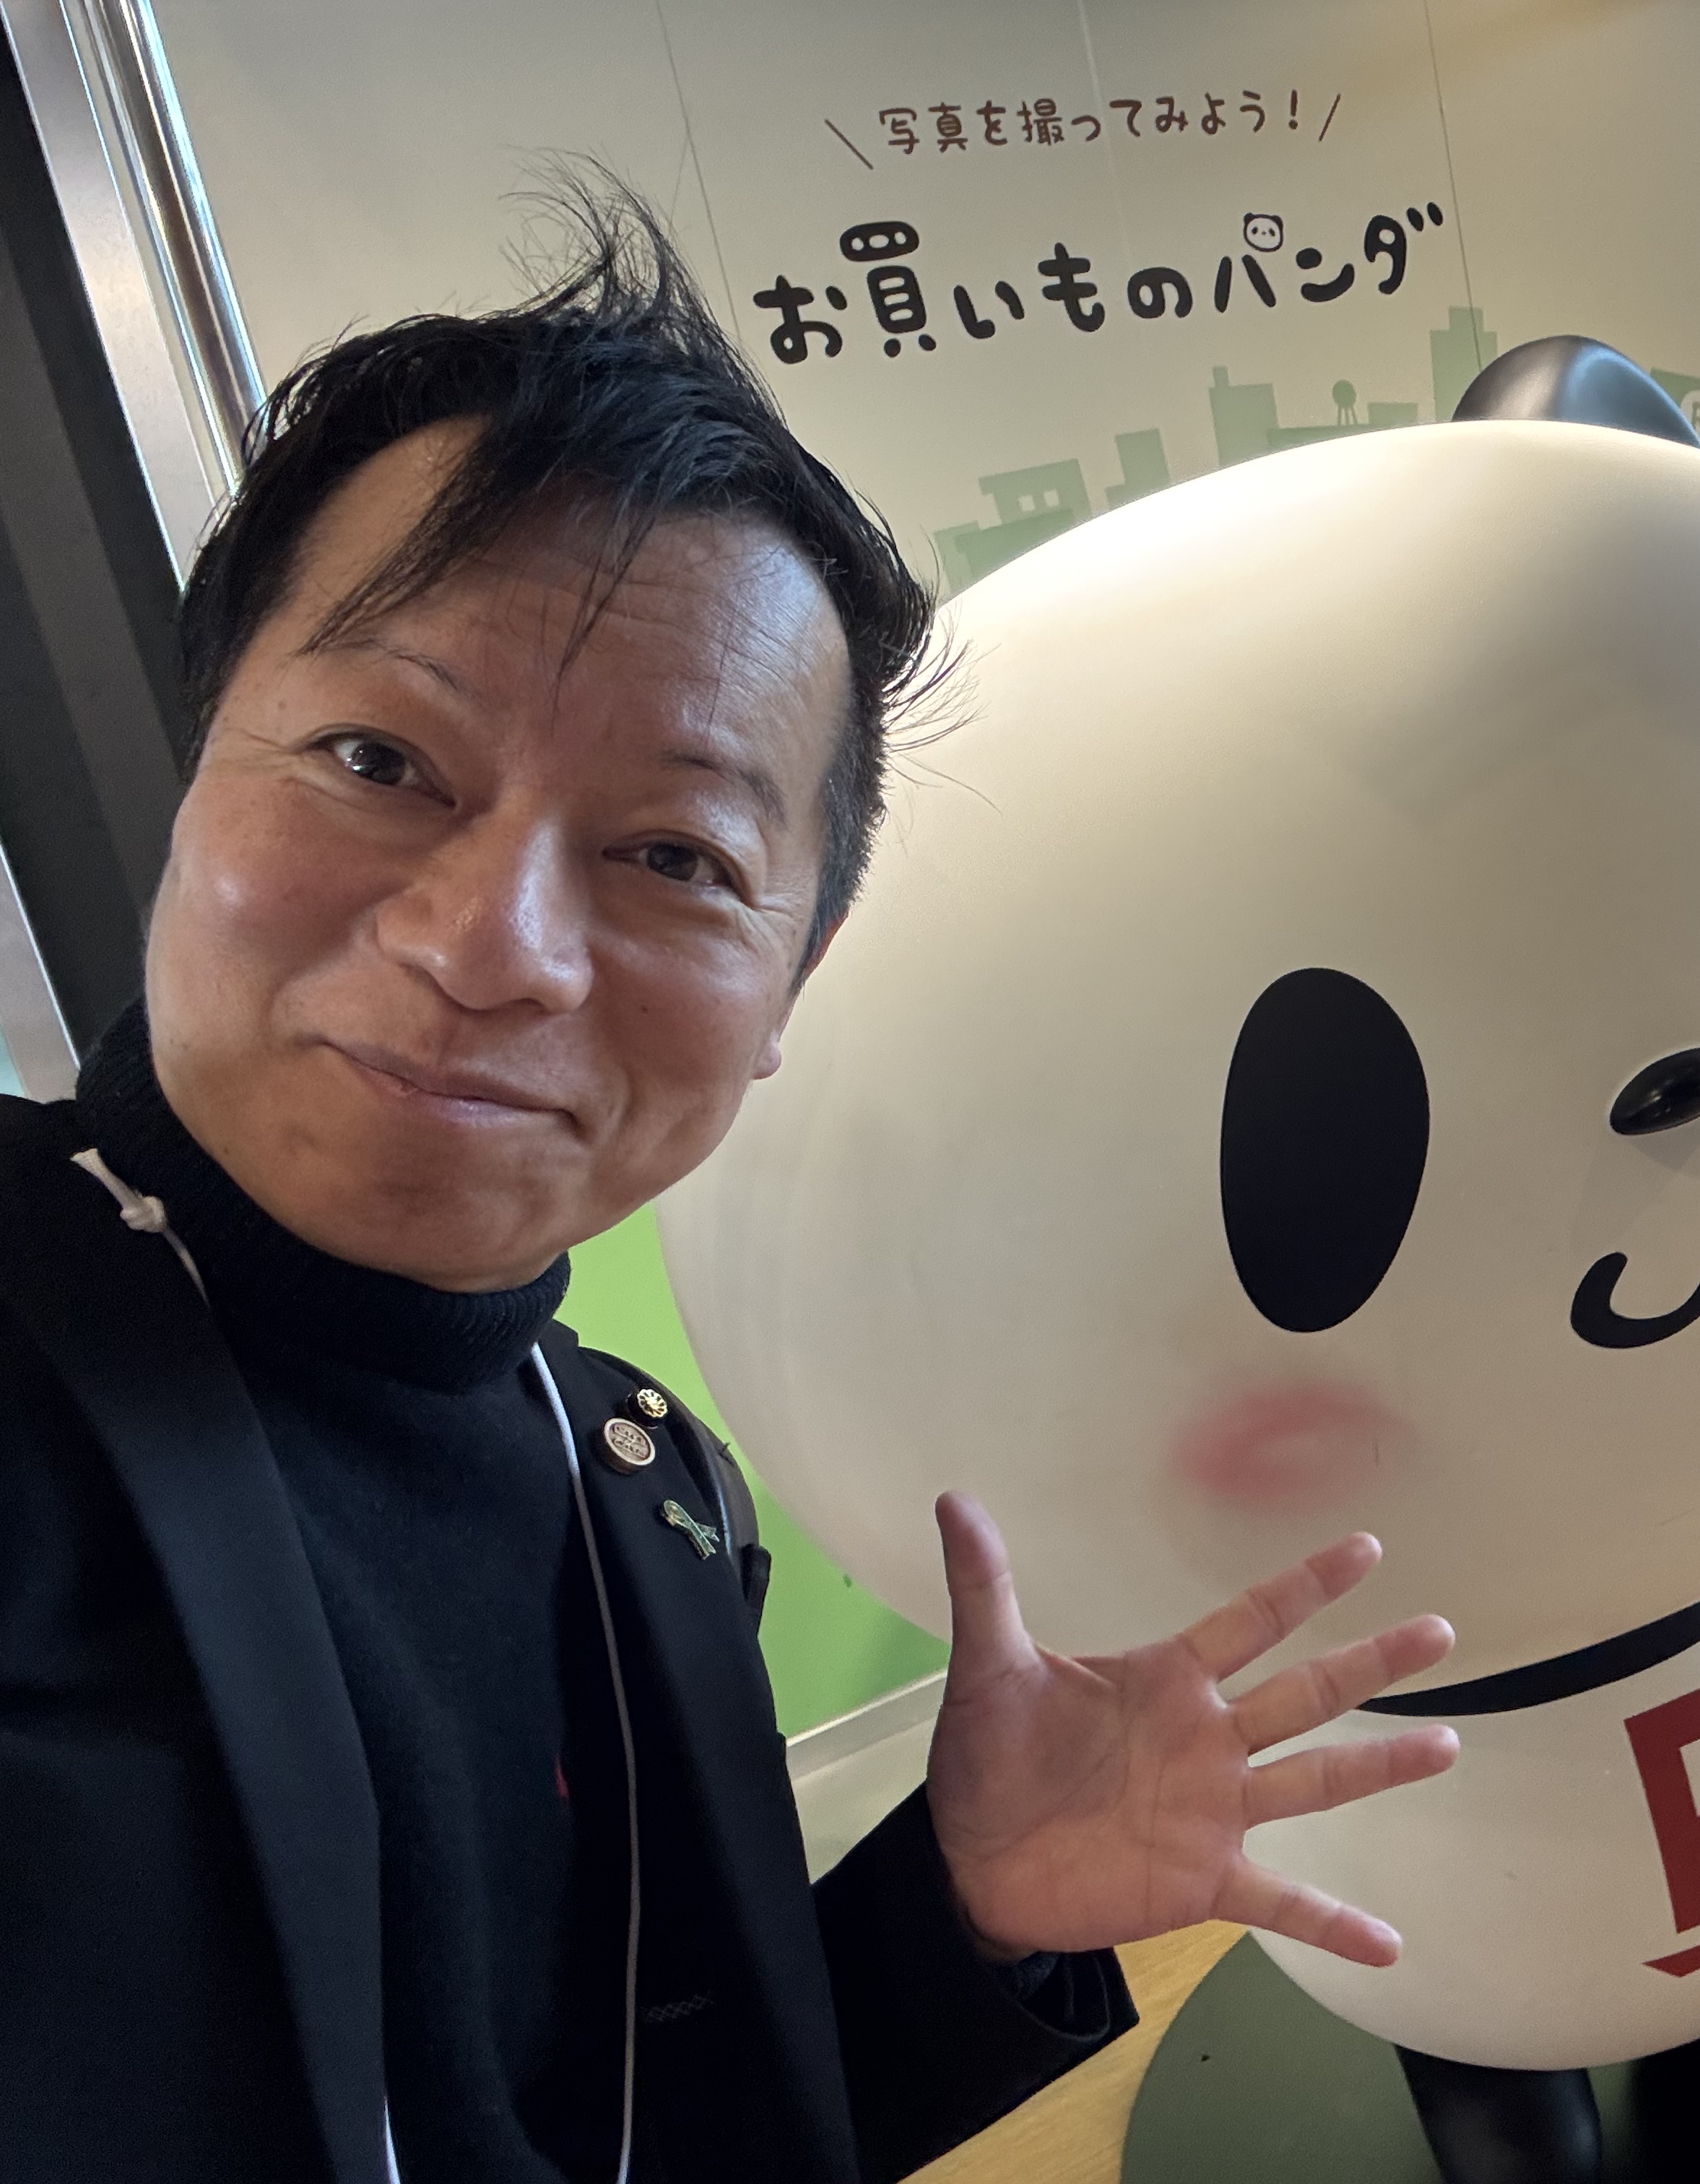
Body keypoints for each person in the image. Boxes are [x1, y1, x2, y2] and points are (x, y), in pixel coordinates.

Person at [0, 187, 1460, 2183]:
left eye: (675, 857)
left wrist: (962, 1909)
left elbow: (658, 2123)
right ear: (202, 766)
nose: (495, 943)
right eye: (379, 759)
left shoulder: (643, 1490)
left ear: (791, 985)